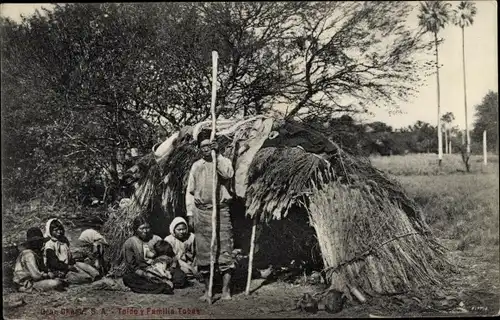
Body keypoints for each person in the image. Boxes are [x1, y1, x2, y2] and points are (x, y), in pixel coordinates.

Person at [186, 135, 236, 301]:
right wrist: (190, 214)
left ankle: (226, 290)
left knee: (224, 250)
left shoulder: (224, 162)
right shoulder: (196, 166)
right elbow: (190, 192)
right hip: (202, 212)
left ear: (214, 146)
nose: (206, 149)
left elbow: (228, 174)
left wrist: (218, 156)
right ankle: (208, 290)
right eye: (203, 146)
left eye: (209, 146)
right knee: (204, 251)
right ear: (200, 149)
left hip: (221, 211)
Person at [121, 216, 174, 294]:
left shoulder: (156, 239)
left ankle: (158, 286)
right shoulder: (130, 243)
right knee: (128, 278)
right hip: (142, 273)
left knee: (181, 277)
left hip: (160, 270)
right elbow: (132, 267)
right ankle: (162, 287)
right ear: (136, 230)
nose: (145, 231)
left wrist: (166, 271)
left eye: (147, 228)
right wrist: (147, 275)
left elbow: (167, 256)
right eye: (141, 228)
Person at [43, 219, 101, 284]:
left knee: (93, 272)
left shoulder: (64, 241)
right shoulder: (49, 245)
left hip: (70, 264)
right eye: (56, 230)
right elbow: (53, 263)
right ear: (50, 231)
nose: (59, 232)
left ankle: (95, 276)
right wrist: (67, 267)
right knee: (85, 278)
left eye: (60, 229)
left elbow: (67, 255)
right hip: (60, 269)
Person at [13, 227, 66, 292]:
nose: (39, 243)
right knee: (56, 283)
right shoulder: (29, 254)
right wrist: (47, 275)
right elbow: (36, 276)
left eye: (40, 241)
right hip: (26, 285)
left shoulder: (35, 253)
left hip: (31, 282)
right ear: (31, 243)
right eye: (36, 242)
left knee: (59, 281)